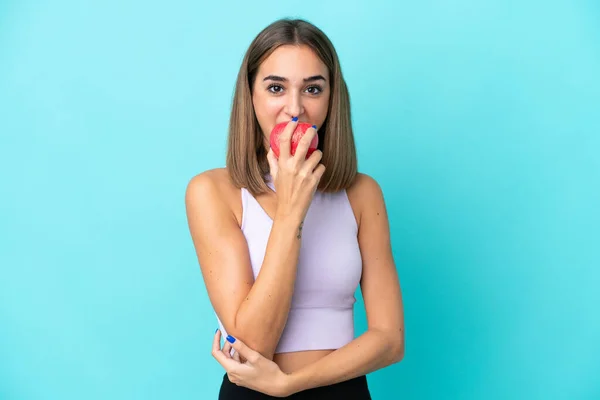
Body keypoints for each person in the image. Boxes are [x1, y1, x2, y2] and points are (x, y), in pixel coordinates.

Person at [185, 18, 404, 399]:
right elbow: (252, 341)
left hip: (343, 391)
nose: (295, 109)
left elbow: (389, 339)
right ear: (250, 96)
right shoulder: (213, 191)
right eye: (275, 88)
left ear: (332, 98)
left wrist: (291, 385)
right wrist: (290, 210)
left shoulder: (362, 193)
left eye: (313, 89)